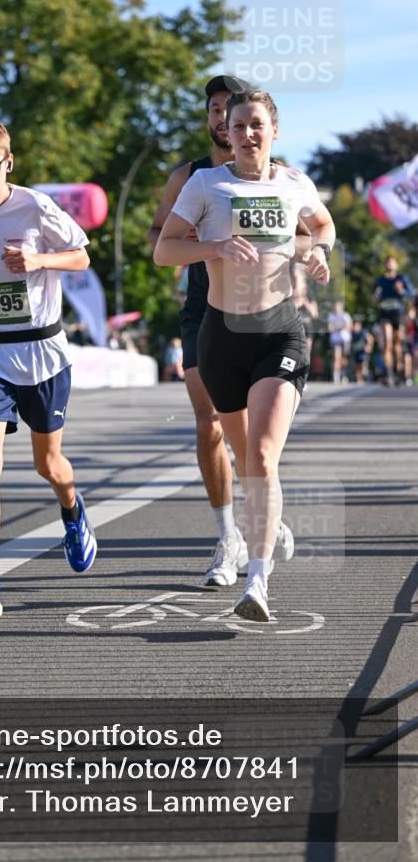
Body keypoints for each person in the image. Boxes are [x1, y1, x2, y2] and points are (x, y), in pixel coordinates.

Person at [155, 88, 335, 622]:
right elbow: (166, 249)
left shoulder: (294, 183)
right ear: (225, 133)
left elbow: (321, 224)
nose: (248, 134)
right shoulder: (206, 183)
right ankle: (266, 519)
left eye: (257, 124)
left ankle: (255, 581)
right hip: (220, 337)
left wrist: (318, 252)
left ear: (273, 130)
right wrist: (213, 246)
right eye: (238, 126)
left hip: (279, 333)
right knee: (243, 459)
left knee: (260, 458)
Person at [0, 114, 95, 618]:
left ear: (9, 163)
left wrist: (39, 262)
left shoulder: (34, 206)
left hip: (44, 351)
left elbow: (81, 258)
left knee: (47, 464)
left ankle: (72, 511)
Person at [373, 256, 414, 386]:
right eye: (387, 262)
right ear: (385, 265)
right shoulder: (380, 280)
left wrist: (401, 290)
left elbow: (411, 295)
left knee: (397, 346)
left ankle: (399, 372)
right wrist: (376, 296)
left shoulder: (402, 279)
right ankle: (388, 374)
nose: (389, 265)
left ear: (396, 265)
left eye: (392, 262)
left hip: (398, 314)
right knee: (387, 343)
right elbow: (373, 298)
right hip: (385, 313)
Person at [327, 301, 352, 384]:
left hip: (345, 340)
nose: (337, 309)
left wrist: (338, 326)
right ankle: (336, 376)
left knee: (344, 358)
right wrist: (340, 326)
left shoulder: (346, 315)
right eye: (336, 307)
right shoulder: (331, 316)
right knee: (336, 357)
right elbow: (330, 328)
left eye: (339, 307)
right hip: (336, 340)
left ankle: (344, 374)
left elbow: (349, 327)